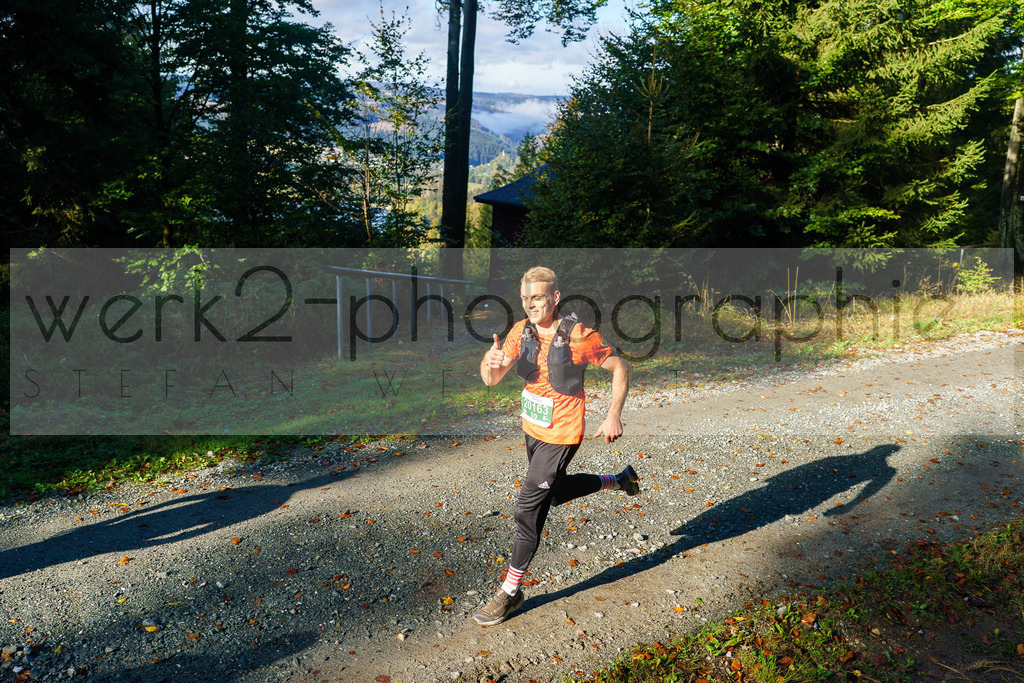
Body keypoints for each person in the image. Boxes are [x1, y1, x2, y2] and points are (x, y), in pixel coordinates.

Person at [473, 266, 637, 626]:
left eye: (537, 297)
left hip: (562, 434)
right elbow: (492, 378)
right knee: (556, 492)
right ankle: (618, 480)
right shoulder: (521, 331)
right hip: (533, 428)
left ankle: (510, 592)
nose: (530, 304)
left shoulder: (579, 336)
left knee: (527, 509)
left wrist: (613, 415)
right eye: (525, 298)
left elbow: (621, 367)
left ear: (555, 297)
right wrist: (489, 363)